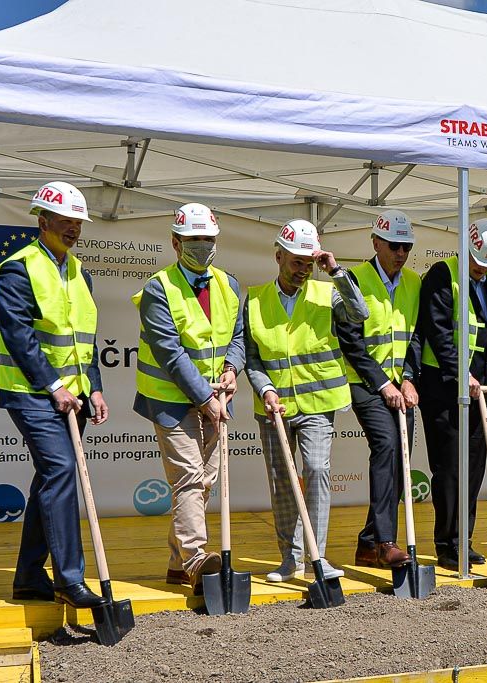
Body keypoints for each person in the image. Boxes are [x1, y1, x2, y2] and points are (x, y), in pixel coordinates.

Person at [0, 181, 108, 608]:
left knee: (49, 478)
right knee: (61, 470)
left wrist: (95, 387)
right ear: (42, 221)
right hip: (31, 393)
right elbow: (19, 337)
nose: (73, 229)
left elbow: (83, 341)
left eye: (78, 223)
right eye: (65, 222)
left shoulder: (80, 272)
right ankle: (69, 579)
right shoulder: (17, 269)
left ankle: (27, 577)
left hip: (73, 396)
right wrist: (54, 386)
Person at [244, 219, 368, 582]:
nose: (303, 269)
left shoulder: (327, 293)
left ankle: (317, 555)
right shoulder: (255, 300)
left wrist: (336, 271)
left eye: (309, 263)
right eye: (297, 261)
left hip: (318, 404)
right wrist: (265, 389)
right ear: (278, 257)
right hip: (274, 408)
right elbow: (252, 357)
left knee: (316, 470)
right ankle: (290, 558)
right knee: (282, 481)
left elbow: (359, 314)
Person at [132, 203, 244, 593]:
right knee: (190, 477)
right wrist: (204, 398)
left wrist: (232, 368)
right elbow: (170, 352)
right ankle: (197, 560)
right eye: (194, 239)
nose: (202, 246)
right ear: (176, 243)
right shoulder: (158, 288)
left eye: (208, 239)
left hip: (215, 397)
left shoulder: (229, 284)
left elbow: (238, 336)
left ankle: (177, 563)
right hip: (170, 398)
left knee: (204, 481)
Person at [337, 210, 421, 569]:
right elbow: (350, 341)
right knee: (387, 445)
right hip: (365, 382)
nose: (401, 253)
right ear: (376, 243)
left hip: (401, 383)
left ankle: (368, 544)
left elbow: (416, 335)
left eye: (407, 247)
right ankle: (386, 542)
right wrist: (384, 384)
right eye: (394, 246)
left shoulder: (414, 282)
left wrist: (409, 377)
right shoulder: (354, 280)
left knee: (401, 457)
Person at [418, 218, 487, 570]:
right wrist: (459, 374)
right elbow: (437, 331)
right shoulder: (443, 275)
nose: (483, 269)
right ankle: (447, 544)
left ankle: (464, 540)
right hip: (443, 387)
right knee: (450, 469)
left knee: (474, 467)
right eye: (479, 262)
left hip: (480, 389)